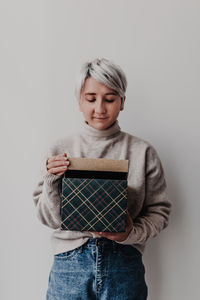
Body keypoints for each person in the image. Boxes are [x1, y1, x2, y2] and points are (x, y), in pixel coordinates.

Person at [33, 58, 171, 300]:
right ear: (79, 101)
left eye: (110, 99)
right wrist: (51, 179)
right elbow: (49, 218)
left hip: (125, 264)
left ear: (123, 102)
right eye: (90, 98)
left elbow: (159, 212)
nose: (100, 108)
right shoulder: (59, 149)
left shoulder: (143, 151)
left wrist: (130, 233)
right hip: (69, 266)